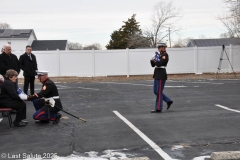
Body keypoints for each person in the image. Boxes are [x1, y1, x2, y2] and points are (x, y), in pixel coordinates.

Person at [150, 43, 173, 113]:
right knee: (156, 91)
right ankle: (168, 100)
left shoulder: (165, 55)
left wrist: (154, 60)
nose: (159, 48)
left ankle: (158, 108)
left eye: (160, 47)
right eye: (158, 47)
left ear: (163, 47)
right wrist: (151, 60)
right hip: (157, 74)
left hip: (161, 74)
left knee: (159, 92)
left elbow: (159, 64)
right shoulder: (159, 55)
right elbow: (153, 65)